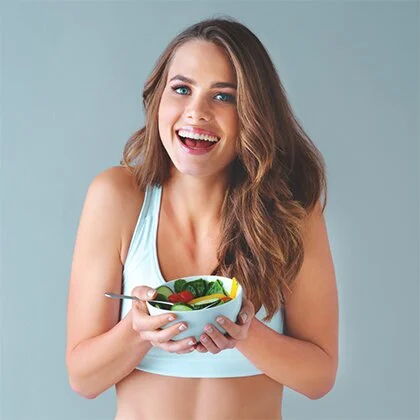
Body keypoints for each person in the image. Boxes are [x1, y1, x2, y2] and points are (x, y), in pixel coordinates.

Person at [66, 16, 338, 420]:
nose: (196, 112)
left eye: (223, 96)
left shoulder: (291, 208)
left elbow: (319, 377)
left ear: (254, 112)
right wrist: (137, 332)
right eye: (181, 89)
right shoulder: (116, 197)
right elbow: (83, 379)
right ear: (160, 96)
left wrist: (247, 336)